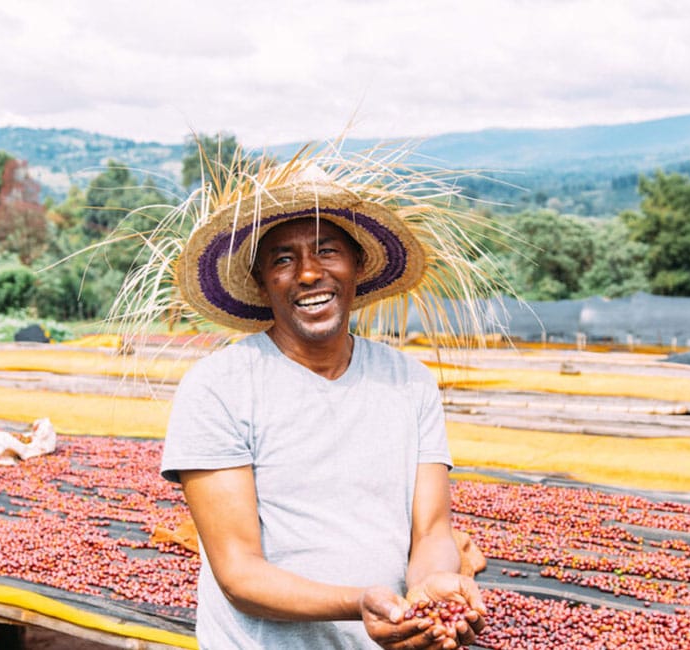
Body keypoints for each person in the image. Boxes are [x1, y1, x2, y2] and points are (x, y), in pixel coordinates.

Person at [138, 155, 489, 649]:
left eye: (326, 251)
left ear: (357, 266)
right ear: (262, 282)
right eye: (283, 259)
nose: (307, 273)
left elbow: (431, 530)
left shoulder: (409, 382)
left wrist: (431, 589)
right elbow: (239, 575)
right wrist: (362, 602)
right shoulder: (220, 387)